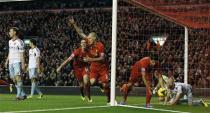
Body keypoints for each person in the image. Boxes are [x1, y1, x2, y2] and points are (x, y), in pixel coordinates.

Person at [69, 18, 110, 104]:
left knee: (105, 85)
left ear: (94, 38)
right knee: (89, 82)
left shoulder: (100, 46)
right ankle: (98, 85)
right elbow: (80, 32)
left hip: (103, 67)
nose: (88, 40)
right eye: (88, 38)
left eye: (90, 38)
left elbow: (102, 58)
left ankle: (109, 99)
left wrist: (90, 59)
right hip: (94, 67)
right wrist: (74, 24)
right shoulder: (88, 42)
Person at [4, 27, 26, 100]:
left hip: (17, 62)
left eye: (10, 31)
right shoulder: (9, 41)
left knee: (18, 78)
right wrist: (7, 61)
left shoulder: (20, 42)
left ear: (14, 32)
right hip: (11, 62)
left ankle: (18, 95)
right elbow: (10, 52)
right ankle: (23, 94)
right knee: (13, 79)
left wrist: (23, 64)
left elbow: (22, 54)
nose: (9, 33)